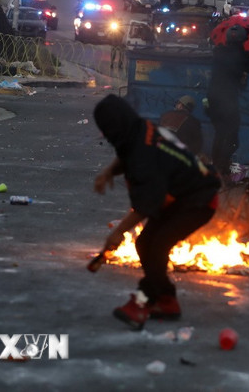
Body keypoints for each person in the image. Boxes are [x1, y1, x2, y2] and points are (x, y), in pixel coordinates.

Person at [93, 94, 221, 330]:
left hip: (199, 200)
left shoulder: (144, 154)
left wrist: (118, 232)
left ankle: (143, 302)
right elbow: (127, 153)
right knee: (145, 243)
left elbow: (146, 204)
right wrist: (109, 172)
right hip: (181, 196)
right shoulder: (140, 129)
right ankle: (167, 300)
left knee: (157, 246)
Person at [207, 24, 249, 180]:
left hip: (212, 98)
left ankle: (217, 166)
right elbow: (243, 79)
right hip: (227, 100)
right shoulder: (242, 56)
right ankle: (221, 167)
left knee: (220, 133)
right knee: (232, 138)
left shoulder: (217, 52)